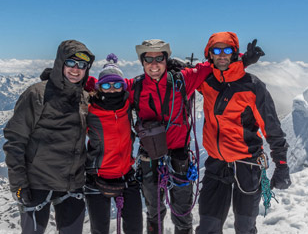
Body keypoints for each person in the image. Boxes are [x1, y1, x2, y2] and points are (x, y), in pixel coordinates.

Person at [196, 32, 291, 234]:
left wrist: (281, 164)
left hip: (247, 166)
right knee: (207, 229)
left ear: (234, 53)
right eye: (216, 50)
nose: (222, 55)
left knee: (245, 228)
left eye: (227, 50)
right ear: (209, 54)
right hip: (215, 165)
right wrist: (243, 61)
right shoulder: (205, 82)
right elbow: (177, 69)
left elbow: (272, 128)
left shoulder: (253, 86)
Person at [3, 40, 95, 234]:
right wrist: (18, 184)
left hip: (72, 184)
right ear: (60, 63)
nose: (76, 69)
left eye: (82, 65)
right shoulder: (36, 95)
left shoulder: (84, 98)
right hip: (37, 184)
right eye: (71, 62)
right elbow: (15, 140)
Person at [129, 39, 212, 234]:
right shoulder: (135, 87)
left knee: (182, 212)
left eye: (159, 58)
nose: (154, 64)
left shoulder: (182, 80)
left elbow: (214, 63)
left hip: (178, 156)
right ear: (142, 62)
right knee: (153, 210)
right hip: (150, 157)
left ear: (166, 60)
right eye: (149, 59)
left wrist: (244, 60)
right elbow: (107, 86)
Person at [84, 53, 142, 234]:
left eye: (117, 85)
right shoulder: (89, 109)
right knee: (99, 230)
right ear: (99, 87)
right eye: (106, 85)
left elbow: (145, 83)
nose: (112, 89)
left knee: (135, 229)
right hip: (96, 177)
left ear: (123, 87)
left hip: (126, 175)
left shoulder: (127, 103)